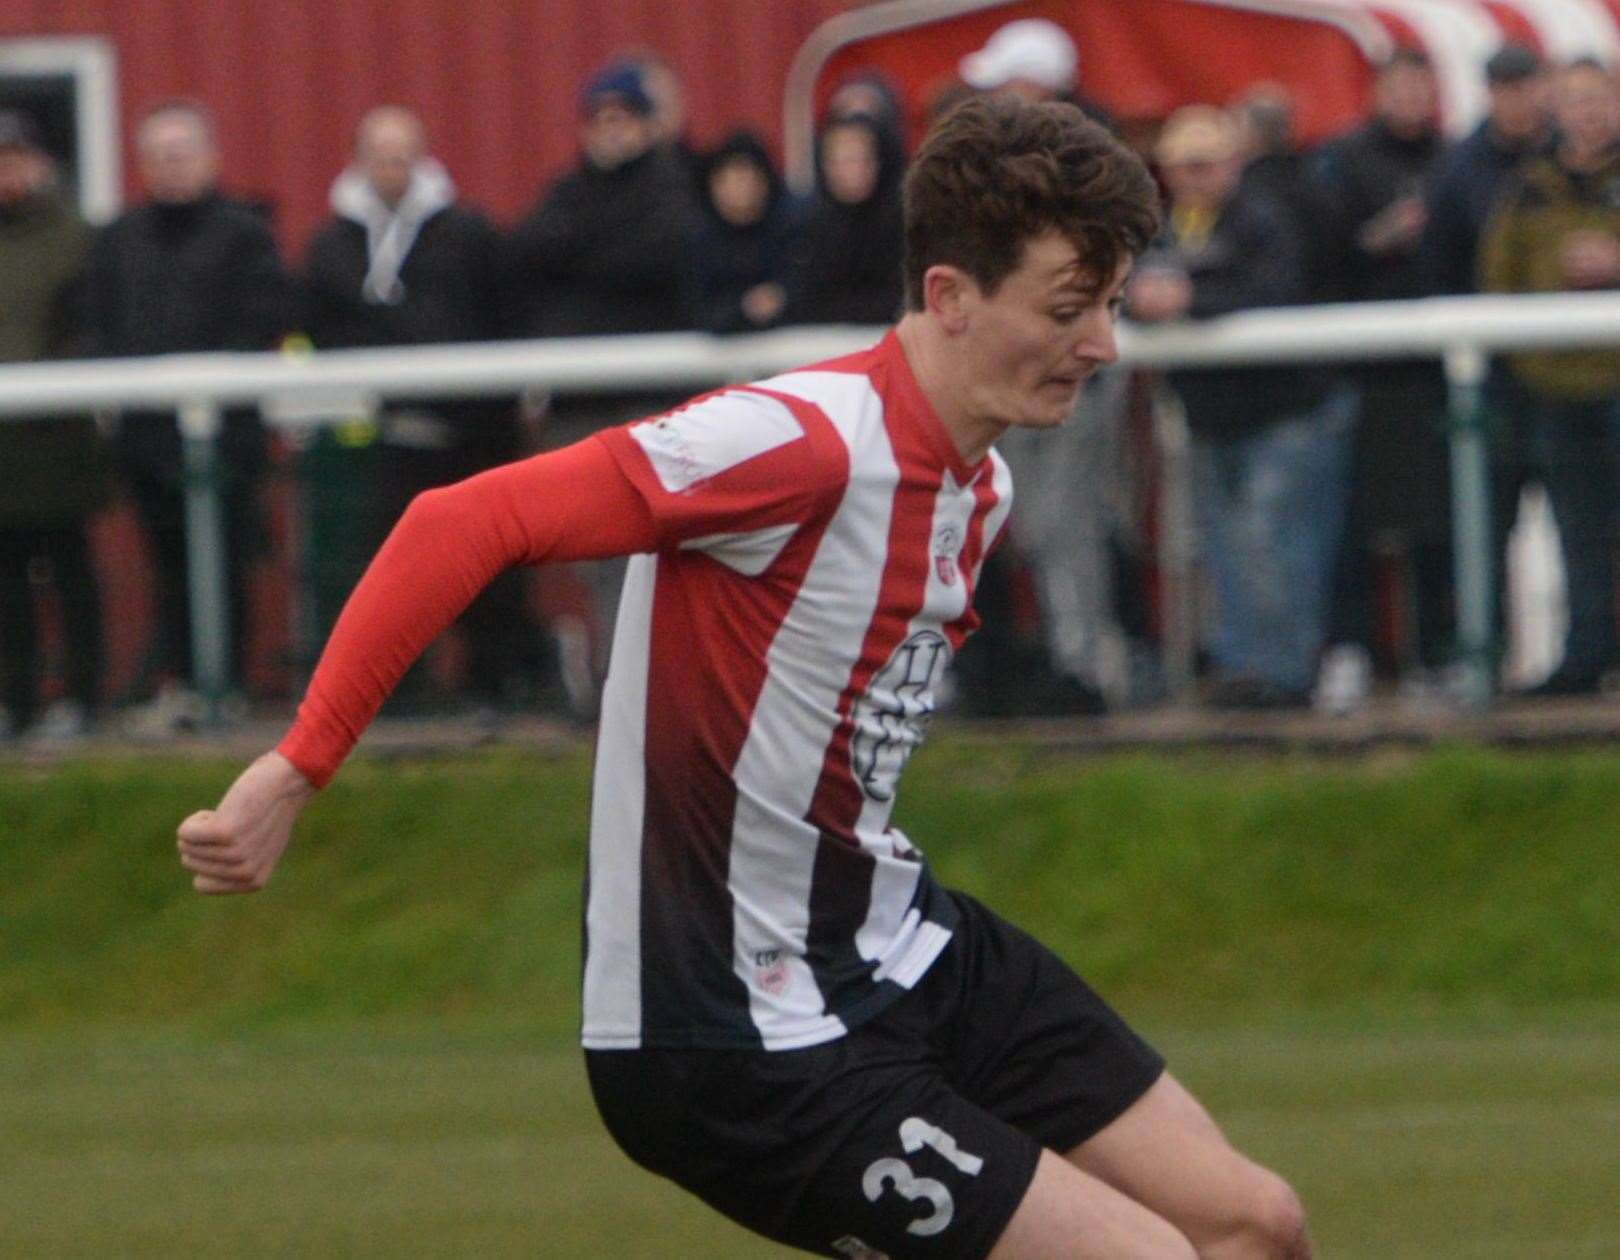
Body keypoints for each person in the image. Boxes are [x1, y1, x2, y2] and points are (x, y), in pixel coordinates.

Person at [177, 95, 1311, 1259]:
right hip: (729, 1034)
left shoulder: (981, 490)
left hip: (892, 949)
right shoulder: (796, 442)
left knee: (1253, 1222)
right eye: (1071, 309)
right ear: (950, 297)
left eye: (1114, 305)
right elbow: (460, 520)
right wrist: (298, 766)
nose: (1105, 344)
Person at [301, 105, 550, 713]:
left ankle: (491, 684)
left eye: (404, 154)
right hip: (378, 437)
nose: (394, 168)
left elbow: (504, 315)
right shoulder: (332, 245)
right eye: (382, 155)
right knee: (388, 573)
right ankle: (393, 694)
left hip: (470, 431)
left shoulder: (467, 233)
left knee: (483, 567)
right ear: (359, 161)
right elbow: (318, 328)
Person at [1128, 106, 1352, 710]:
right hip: (1215, 413)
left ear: (1230, 164)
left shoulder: (1266, 214)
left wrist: (1189, 298)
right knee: (1227, 546)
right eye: (1179, 167)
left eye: (1202, 165)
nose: (1190, 178)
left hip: (1288, 408)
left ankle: (1284, 674)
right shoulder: (1164, 228)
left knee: (1275, 544)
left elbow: (1280, 286)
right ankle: (1246, 668)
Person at [84, 100, 292, 729]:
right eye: (159, 155)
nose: (171, 166)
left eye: (182, 152)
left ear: (210, 157)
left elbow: (265, 319)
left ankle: (227, 683)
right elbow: (100, 324)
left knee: (229, 559)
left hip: (228, 435)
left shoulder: (245, 234)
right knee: (167, 564)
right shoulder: (119, 240)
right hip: (147, 437)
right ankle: (180, 680)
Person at [1309, 48, 1451, 710]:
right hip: (1357, 371)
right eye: (1400, 88)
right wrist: (1378, 240)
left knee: (1437, 524)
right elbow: (1321, 253)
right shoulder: (1342, 162)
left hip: (1439, 371)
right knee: (1350, 525)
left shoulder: (1453, 160)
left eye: (1422, 88)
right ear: (1378, 93)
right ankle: (1351, 653)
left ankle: (1437, 656)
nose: (1412, 100)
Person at [1479, 57, 1620, 696]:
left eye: (1599, 100)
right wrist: (1537, 364)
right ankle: (1585, 658)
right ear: (1555, 110)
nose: (1587, 113)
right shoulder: (1527, 190)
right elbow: (1499, 282)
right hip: (1559, 393)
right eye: (1575, 101)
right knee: (1579, 533)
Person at [1421, 44, 1552, 680]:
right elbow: (1439, 271)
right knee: (1483, 522)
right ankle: (1485, 661)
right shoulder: (1459, 170)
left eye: (1526, 85)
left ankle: (1582, 661)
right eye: (1506, 87)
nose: (1518, 100)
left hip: (1567, 375)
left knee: (1584, 521)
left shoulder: (1570, 159)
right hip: (1492, 379)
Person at [0, 109, 106, 743]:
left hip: (59, 439)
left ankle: (83, 696)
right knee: (6, 585)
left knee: (70, 572)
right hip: (1, 448)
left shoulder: (76, 237)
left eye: (16, 158)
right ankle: (15, 700)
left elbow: (92, 326)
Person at [788, 110, 906, 326]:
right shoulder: (805, 222)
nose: (853, 170)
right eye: (841, 160)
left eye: (861, 158)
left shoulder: (903, 220)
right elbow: (802, 296)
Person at [690, 129, 803, 334]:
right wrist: (744, 309)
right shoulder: (697, 240)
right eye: (730, 179)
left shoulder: (792, 232)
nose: (741, 188)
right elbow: (695, 309)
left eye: (748, 177)